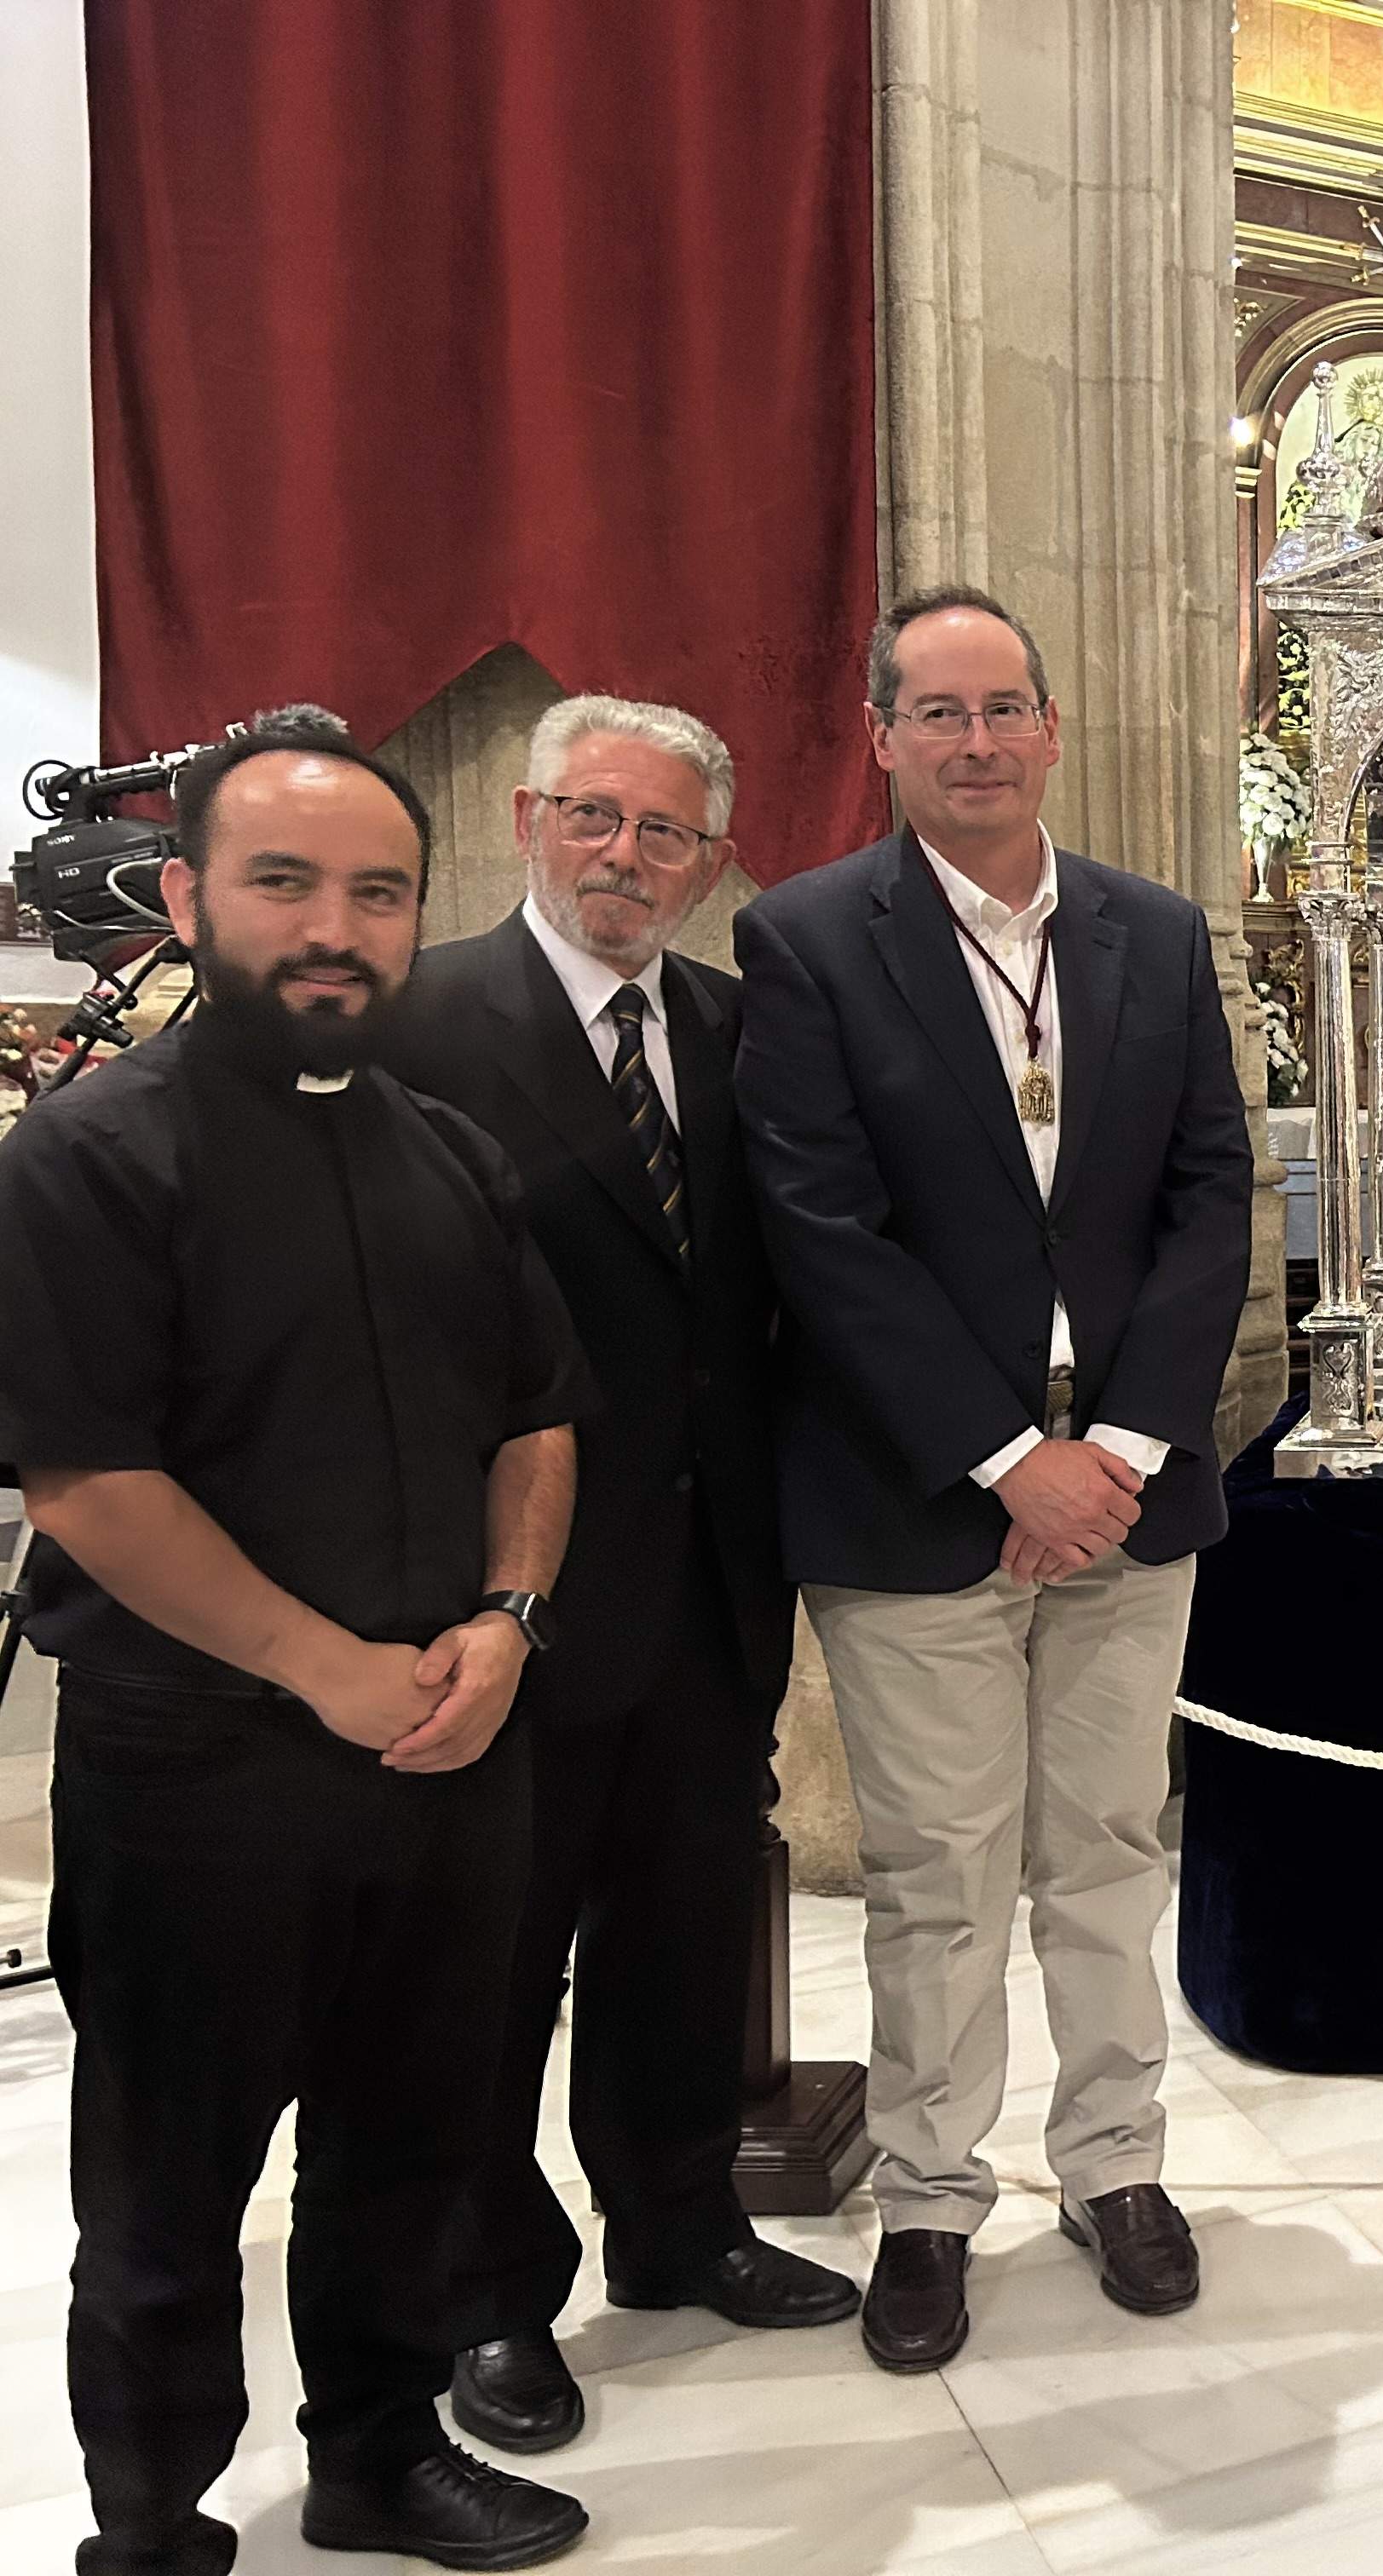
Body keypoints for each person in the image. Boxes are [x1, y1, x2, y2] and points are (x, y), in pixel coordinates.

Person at [0, 714, 595, 2573]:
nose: (331, 926)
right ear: (184, 896)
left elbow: (536, 1416)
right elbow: (89, 1482)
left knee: (410, 2138)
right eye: (282, 883)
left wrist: (504, 1626)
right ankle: (154, 2526)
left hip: (446, 1738)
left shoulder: (448, 1150)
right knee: (171, 2189)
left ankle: (379, 2452)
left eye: (375, 892)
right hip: (200, 1763)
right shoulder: (89, 1158)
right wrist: (329, 1667)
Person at [735, 586, 1254, 2373]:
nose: (975, 742)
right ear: (883, 737)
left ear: (1051, 728)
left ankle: (1116, 2169)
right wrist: (1001, 1456)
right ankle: (933, 2201)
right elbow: (822, 1231)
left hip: (1124, 1487)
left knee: (1107, 1853)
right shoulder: (805, 943)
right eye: (936, 713)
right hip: (915, 1489)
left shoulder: (1152, 934)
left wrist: (1109, 1452)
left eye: (1002, 708)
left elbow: (1211, 1201)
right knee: (941, 1871)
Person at [385, 695, 857, 2459]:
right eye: (597, 819)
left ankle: (680, 2226)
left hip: (712, 1581)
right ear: (527, 818)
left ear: (714, 862)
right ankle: (486, 2294)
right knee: (487, 1968)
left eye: (665, 835)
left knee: (677, 1934)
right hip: (502, 1593)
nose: (625, 859)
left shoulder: (740, 1027)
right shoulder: (425, 1017)